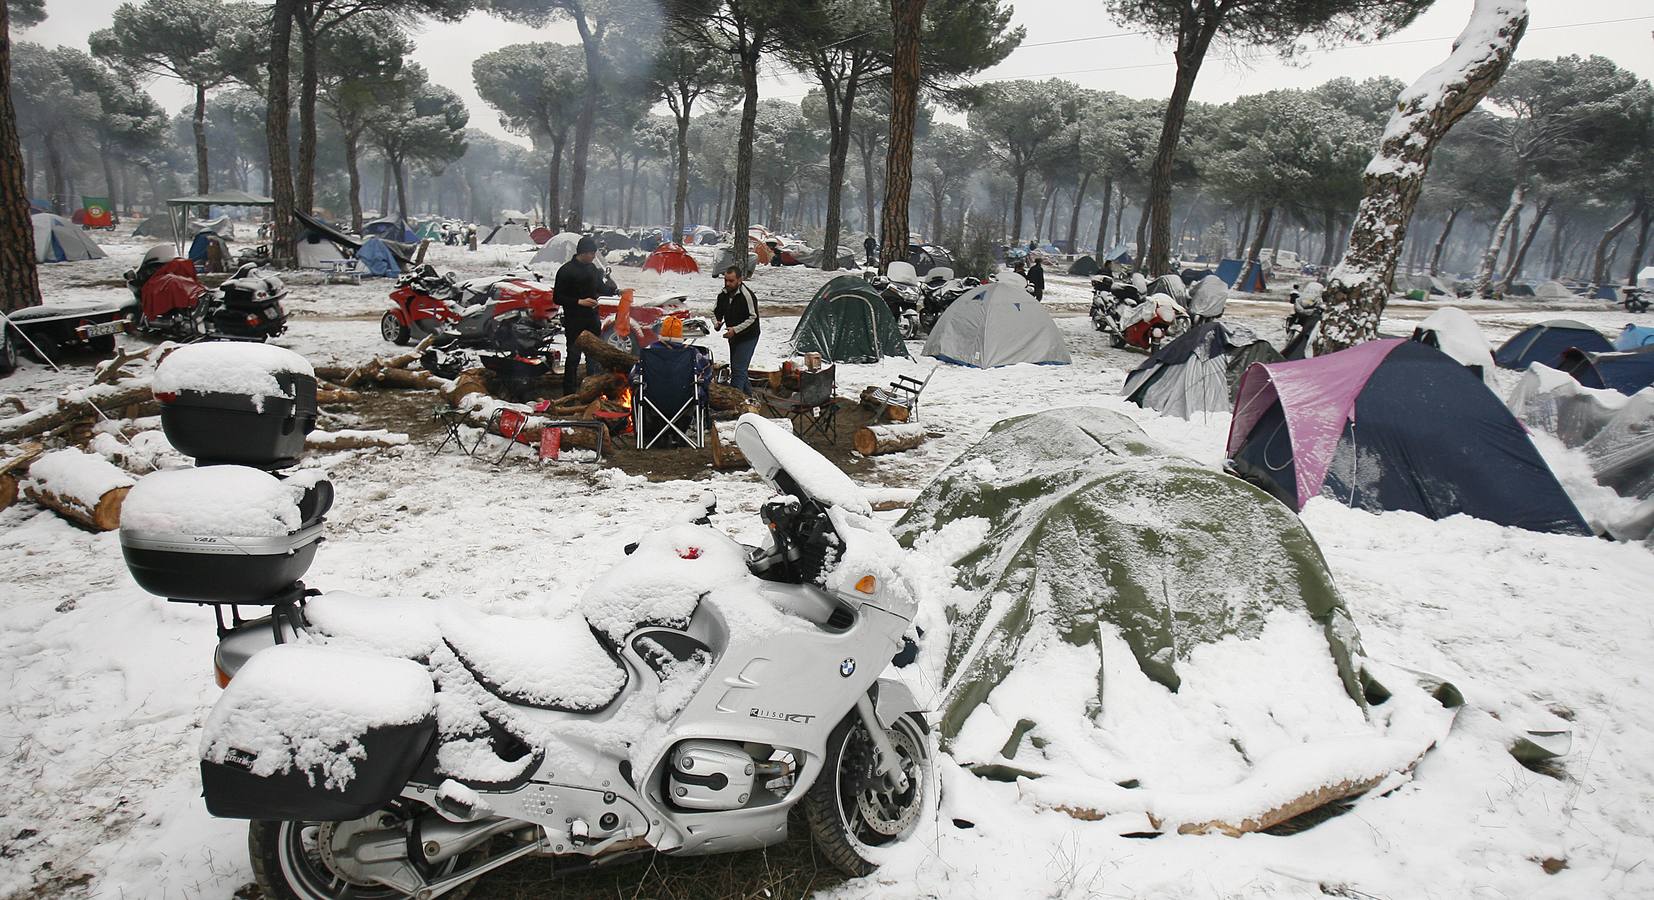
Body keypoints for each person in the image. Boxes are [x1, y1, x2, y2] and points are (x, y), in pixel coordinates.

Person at [554, 235, 605, 395]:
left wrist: (618, 291)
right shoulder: (566, 271)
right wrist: (579, 302)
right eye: (591, 253)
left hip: (592, 320)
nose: (594, 257)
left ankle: (592, 391)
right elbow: (557, 297)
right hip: (574, 321)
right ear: (582, 253)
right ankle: (568, 393)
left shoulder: (592, 269)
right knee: (574, 356)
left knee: (593, 357)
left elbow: (601, 287)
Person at [713, 265, 760, 394]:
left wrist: (736, 330)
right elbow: (715, 312)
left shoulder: (747, 295)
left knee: (738, 370)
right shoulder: (723, 294)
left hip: (748, 336)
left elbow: (753, 318)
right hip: (733, 336)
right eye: (726, 280)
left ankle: (735, 402)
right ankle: (750, 399)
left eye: (731, 281)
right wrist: (716, 323)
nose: (728, 283)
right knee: (738, 368)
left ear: (740, 280)